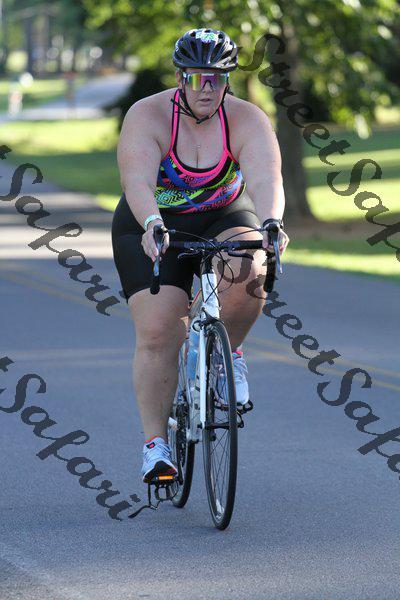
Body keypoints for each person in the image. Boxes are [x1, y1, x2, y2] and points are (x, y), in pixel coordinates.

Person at [111, 28, 289, 484]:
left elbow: (267, 178)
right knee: (158, 332)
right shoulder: (148, 114)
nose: (206, 88)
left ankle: (229, 353)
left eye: (217, 78)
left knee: (251, 267)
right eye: (196, 78)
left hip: (222, 213)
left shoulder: (246, 118)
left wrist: (272, 222)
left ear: (228, 80)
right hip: (154, 221)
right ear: (179, 78)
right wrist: (151, 223)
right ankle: (156, 446)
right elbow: (136, 181)